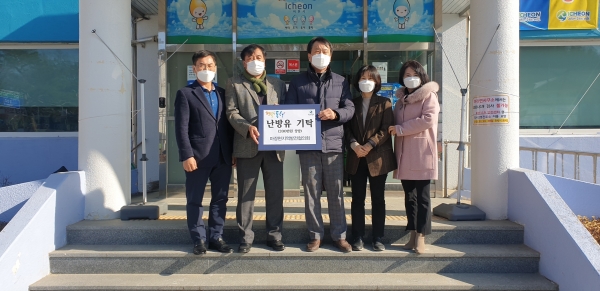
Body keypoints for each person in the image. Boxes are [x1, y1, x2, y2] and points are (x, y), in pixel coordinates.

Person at [285, 36, 355, 253]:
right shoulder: (297, 82)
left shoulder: (341, 81)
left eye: (325, 51)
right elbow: (288, 110)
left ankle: (339, 236)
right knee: (311, 193)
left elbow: (350, 108)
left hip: (333, 146)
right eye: (316, 51)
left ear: (331, 55)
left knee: (336, 193)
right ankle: (315, 236)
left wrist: (335, 113)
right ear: (308, 55)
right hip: (308, 147)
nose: (321, 55)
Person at [226, 44, 287, 253]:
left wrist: (283, 113)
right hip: (246, 146)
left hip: (274, 148)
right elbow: (232, 113)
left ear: (265, 59)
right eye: (250, 57)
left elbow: (288, 111)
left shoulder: (277, 84)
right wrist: (247, 127)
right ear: (244, 62)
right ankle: (245, 238)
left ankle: (275, 235)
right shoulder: (234, 83)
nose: (255, 60)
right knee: (245, 195)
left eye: (259, 57)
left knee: (275, 193)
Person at [174, 50, 235, 255]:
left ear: (215, 68)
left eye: (210, 65)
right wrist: (186, 155)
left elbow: (228, 126)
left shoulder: (224, 93)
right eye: (202, 65)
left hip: (223, 156)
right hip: (197, 157)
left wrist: (233, 152)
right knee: (195, 199)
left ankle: (216, 236)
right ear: (194, 69)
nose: (206, 69)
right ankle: (198, 239)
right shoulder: (186, 94)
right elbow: (181, 128)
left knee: (220, 199)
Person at [388, 60, 440, 254]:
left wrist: (400, 129)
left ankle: (422, 236)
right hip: (403, 154)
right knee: (410, 197)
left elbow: (428, 120)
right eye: (406, 75)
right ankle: (412, 233)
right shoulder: (401, 100)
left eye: (414, 74)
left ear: (421, 76)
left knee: (423, 198)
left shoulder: (429, 96)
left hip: (421, 153)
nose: (410, 78)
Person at [345, 65, 396, 251]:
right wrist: (355, 145)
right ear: (357, 81)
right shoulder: (351, 103)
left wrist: (369, 145)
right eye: (362, 78)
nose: (366, 82)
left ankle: (377, 237)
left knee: (378, 199)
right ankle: (357, 236)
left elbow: (386, 129)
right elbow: (347, 129)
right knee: (357, 198)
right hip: (356, 157)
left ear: (376, 81)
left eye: (370, 78)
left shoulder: (385, 102)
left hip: (377, 159)